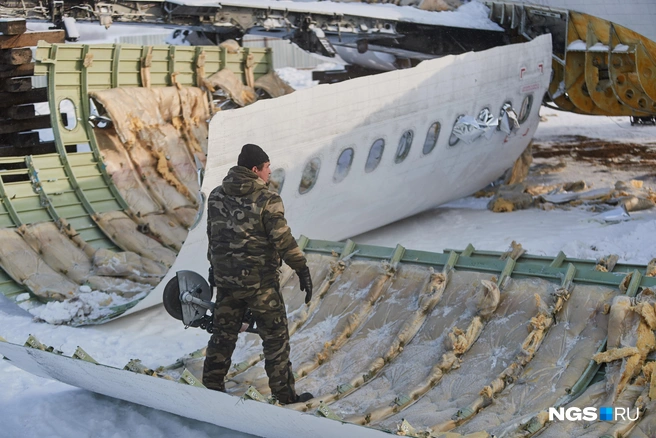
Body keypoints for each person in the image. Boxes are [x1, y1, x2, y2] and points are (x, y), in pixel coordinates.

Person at [203, 143, 313, 404]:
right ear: (255, 169)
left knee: (223, 335)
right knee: (275, 339)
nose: (270, 172)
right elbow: (282, 241)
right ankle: (285, 395)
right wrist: (302, 268)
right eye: (267, 168)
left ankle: (210, 387)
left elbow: (214, 236)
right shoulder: (268, 199)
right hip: (260, 284)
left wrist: (214, 269)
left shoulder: (217, 195)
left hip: (227, 282)